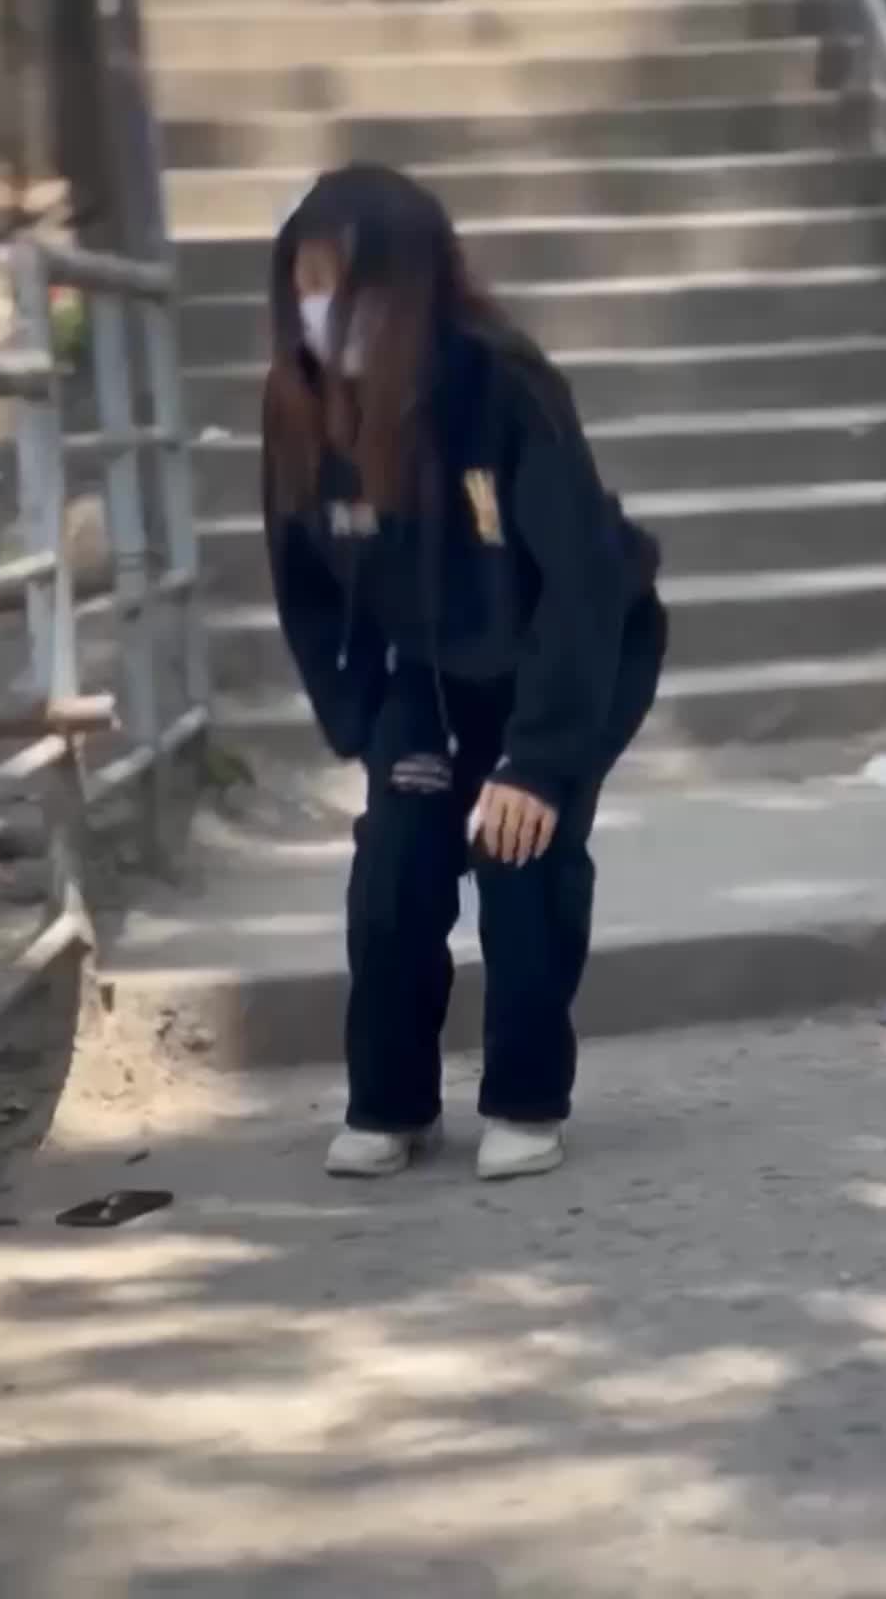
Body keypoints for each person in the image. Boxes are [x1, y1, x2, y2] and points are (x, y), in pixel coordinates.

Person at [262, 165, 667, 1182]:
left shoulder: (502, 384)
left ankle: (526, 1098)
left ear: (410, 286)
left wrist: (538, 762)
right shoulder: (300, 407)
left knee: (520, 858)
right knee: (395, 870)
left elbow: (581, 583)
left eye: (345, 286)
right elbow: (302, 585)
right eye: (306, 286)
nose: (323, 312)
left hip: (570, 656)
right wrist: (365, 721)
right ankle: (391, 1105)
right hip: (432, 676)